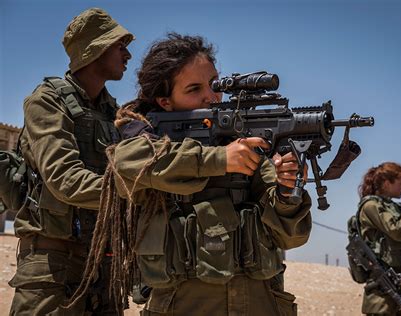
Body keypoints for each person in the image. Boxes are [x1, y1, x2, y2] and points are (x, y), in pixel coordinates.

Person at [75, 32, 312, 315]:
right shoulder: (142, 137)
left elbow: (291, 238)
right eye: (194, 89)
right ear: (165, 102)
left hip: (260, 303)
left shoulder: (244, 147)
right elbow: (129, 161)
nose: (211, 97)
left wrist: (287, 191)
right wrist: (220, 160)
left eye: (214, 85)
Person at [8, 8, 134, 315]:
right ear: (96, 49)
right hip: (53, 264)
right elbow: (65, 181)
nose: (128, 54)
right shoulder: (47, 101)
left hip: (102, 264)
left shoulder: (109, 111)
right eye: (120, 46)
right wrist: (138, 188)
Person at [357, 162, 401, 315]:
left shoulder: (394, 207)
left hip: (400, 282)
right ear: (387, 183)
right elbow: (397, 231)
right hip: (382, 288)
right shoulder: (370, 205)